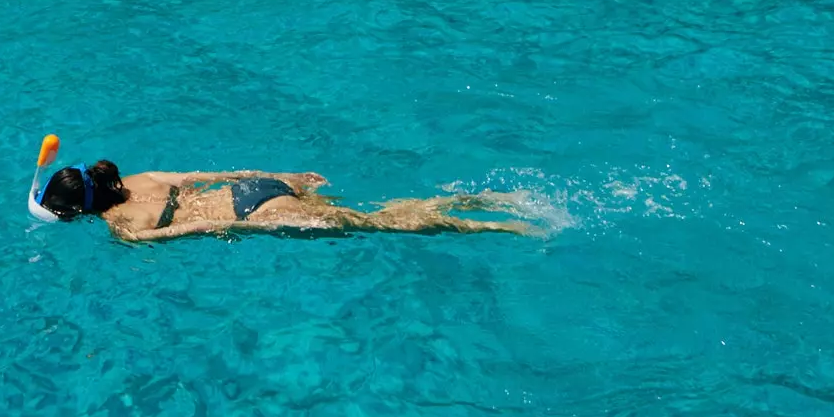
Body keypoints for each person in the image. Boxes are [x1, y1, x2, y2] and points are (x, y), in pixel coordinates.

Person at [32, 157, 543, 243]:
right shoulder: (143, 176)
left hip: (256, 212)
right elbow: (208, 174)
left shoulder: (122, 228)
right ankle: (486, 199)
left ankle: (499, 226)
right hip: (254, 190)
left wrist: (263, 227)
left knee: (380, 224)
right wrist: (280, 174)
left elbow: (200, 229)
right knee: (377, 206)